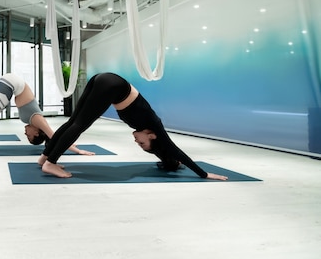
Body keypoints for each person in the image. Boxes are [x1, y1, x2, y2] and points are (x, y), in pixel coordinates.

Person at [37, 72, 229, 180]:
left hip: (103, 79)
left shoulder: (146, 127)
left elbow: (166, 154)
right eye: (143, 144)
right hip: (113, 86)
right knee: (78, 125)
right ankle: (51, 163)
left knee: (73, 122)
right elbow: (174, 150)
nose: (137, 142)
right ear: (152, 136)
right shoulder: (155, 126)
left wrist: (167, 161)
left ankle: (45, 157)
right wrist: (204, 174)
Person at [0, 73, 95, 156]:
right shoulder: (38, 120)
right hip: (13, 83)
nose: (25, 134)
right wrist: (76, 150)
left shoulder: (33, 121)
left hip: (13, 83)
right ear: (37, 133)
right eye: (29, 137)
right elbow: (56, 137)